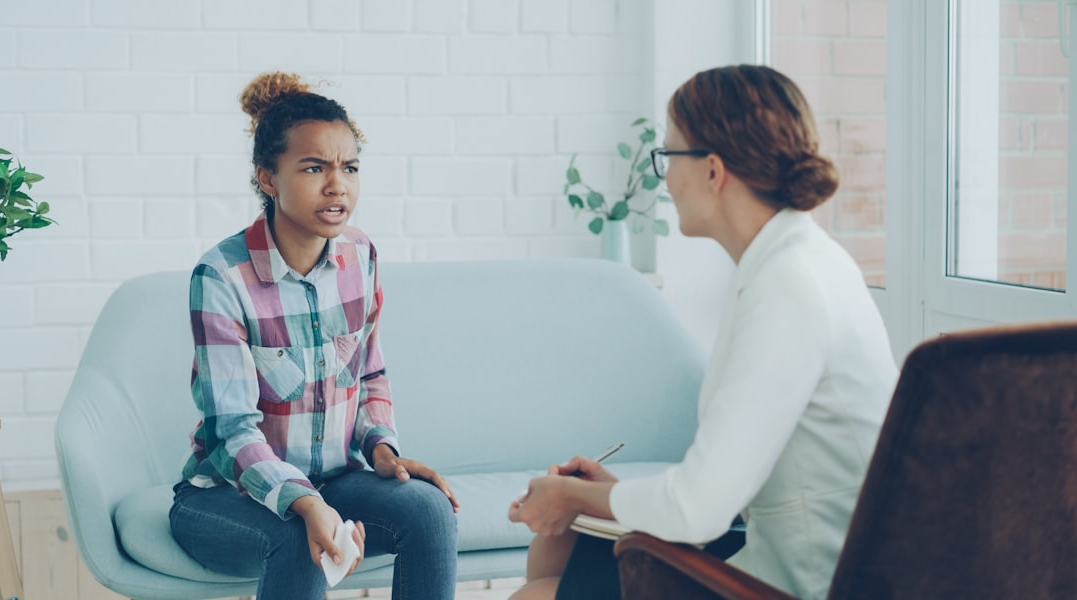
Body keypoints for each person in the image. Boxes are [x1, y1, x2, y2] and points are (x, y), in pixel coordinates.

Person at [507, 64, 898, 600]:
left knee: (533, 595)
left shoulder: (789, 285)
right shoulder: (792, 261)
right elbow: (731, 481)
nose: (664, 178)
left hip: (808, 581)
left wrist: (574, 498)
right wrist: (609, 495)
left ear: (713, 171)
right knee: (555, 551)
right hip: (782, 548)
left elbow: (698, 510)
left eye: (668, 156)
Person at [169, 71, 460, 600]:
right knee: (294, 528)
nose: (337, 185)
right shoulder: (222, 277)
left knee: (429, 510)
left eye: (349, 167)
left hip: (336, 480)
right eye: (314, 168)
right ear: (267, 177)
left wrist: (383, 451)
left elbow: (369, 372)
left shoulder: (360, 255)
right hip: (224, 498)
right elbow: (232, 431)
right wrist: (305, 502)